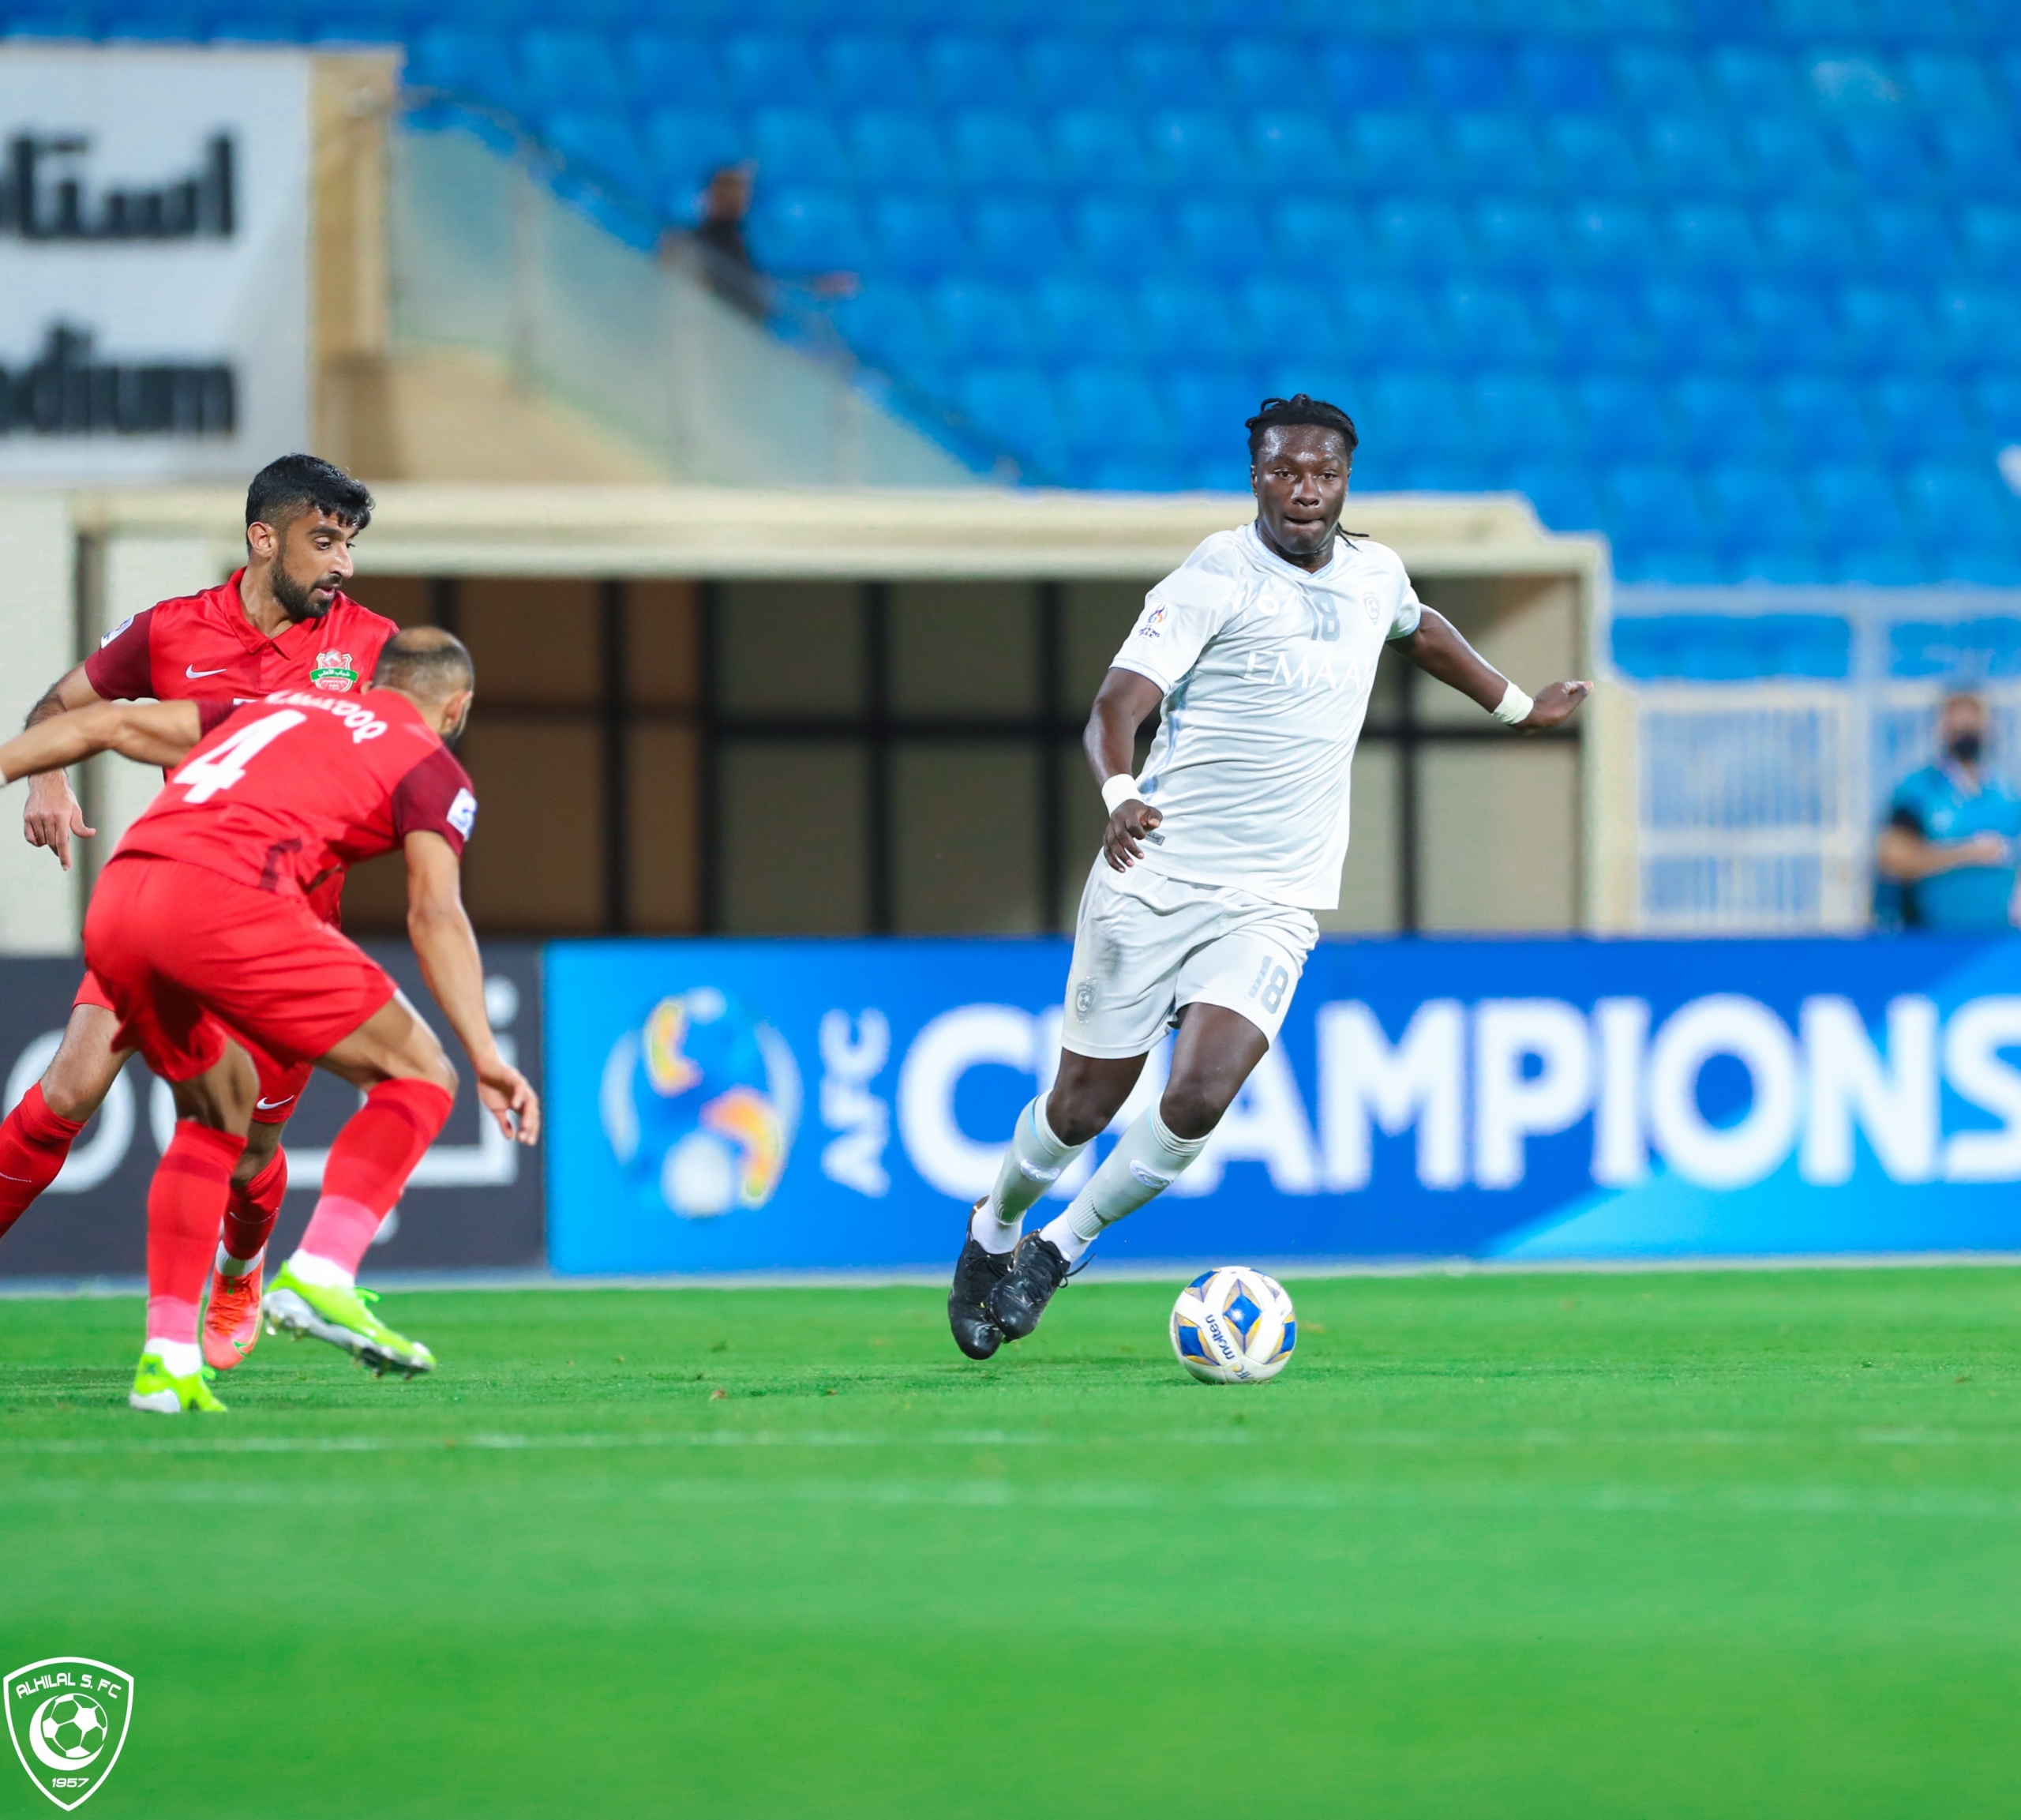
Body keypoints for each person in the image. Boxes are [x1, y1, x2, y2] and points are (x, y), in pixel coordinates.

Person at [947, 395, 1594, 1358]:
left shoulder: (1374, 573)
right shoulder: (1213, 576)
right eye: (1285, 472)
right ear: (1257, 475)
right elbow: (1115, 704)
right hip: (1153, 876)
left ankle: (1056, 1251)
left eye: (1322, 475)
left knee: (1200, 1095)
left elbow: (1419, 629)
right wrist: (1120, 790)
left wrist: (1515, 710)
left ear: (1345, 481)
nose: (1304, 491)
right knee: (1081, 1107)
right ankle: (992, 1229)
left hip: (1273, 900)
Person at [0, 628, 538, 1413]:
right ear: (456, 707)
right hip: (228, 904)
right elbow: (435, 912)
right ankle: (322, 1271)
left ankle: (168, 1362)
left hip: (122, 897)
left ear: (370, 681)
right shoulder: (433, 766)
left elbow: (109, 723)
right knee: (422, 1075)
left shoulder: (279, 704)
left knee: (217, 1113)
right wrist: (486, 1051)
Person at [0, 454, 397, 1371]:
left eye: (350, 545)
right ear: (264, 539)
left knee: (249, 1153)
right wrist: (47, 779)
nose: (341, 564)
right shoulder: (172, 632)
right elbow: (61, 704)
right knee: (66, 1091)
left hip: (287, 939)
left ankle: (241, 1267)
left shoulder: (371, 643)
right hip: (173, 904)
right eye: (324, 541)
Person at [1876, 690, 2021, 931]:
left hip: (1998, 941)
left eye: (1972, 724)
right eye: (1957, 726)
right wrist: (1967, 854)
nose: (1965, 733)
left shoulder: (2007, 795)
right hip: (1933, 939)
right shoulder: (1920, 792)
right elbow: (1892, 857)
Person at [690, 163, 767, 319]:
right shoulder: (686, 245)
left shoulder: (747, 253)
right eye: (728, 188)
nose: (735, 196)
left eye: (741, 190)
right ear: (713, 192)